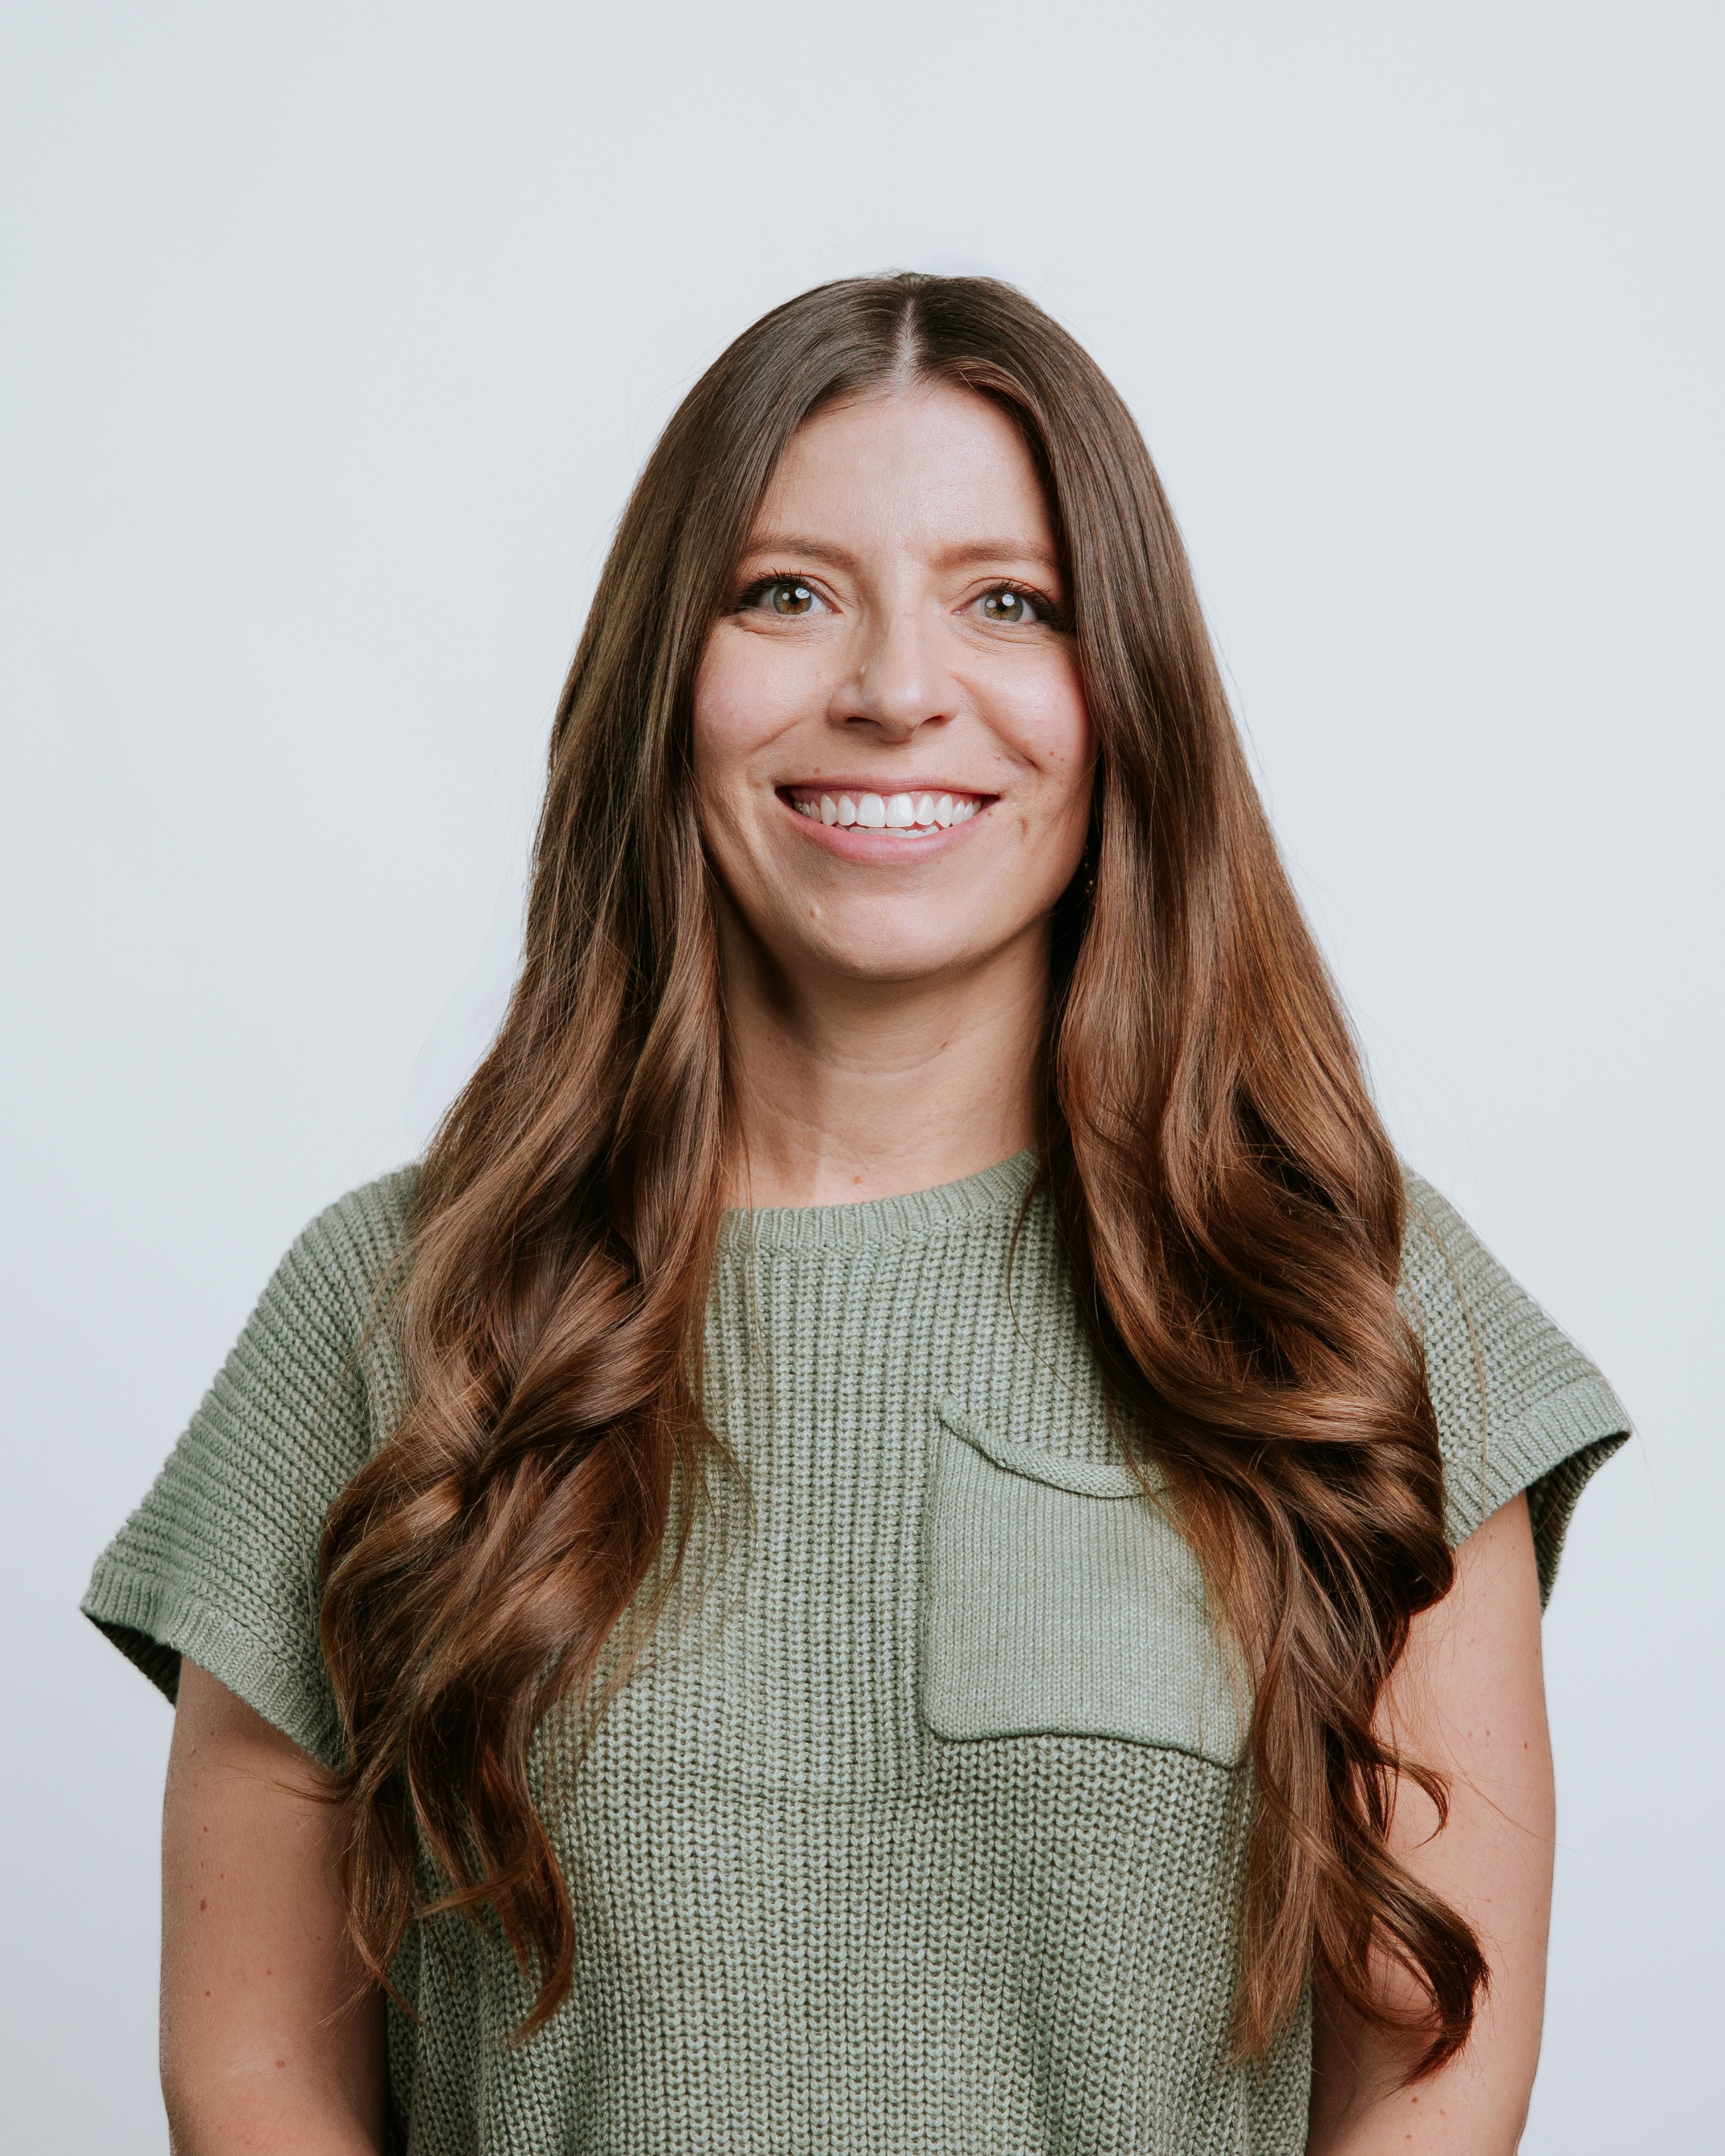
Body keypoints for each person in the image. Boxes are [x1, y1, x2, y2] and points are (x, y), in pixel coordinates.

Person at [85, 274, 1627, 2156]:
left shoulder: (1341, 1303)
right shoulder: (394, 1305)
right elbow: (253, 2074)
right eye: (785, 591)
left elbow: (1432, 2077)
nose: (896, 689)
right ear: (671, 673)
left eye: (1010, 601)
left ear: (1123, 689)